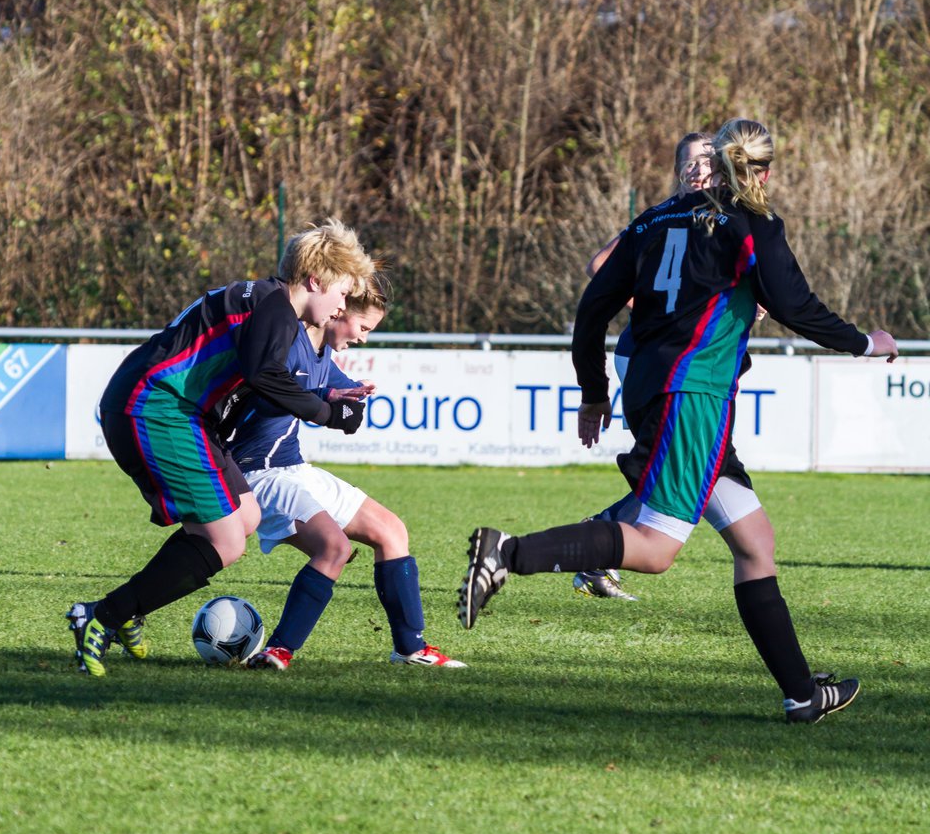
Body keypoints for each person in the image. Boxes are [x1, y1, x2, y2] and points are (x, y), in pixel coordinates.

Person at [459, 118, 899, 723]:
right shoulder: (752, 222)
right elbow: (796, 305)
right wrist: (865, 343)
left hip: (653, 387)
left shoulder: (653, 220)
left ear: (716, 162)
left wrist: (593, 391)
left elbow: (592, 312)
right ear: (764, 171)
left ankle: (802, 692)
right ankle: (508, 553)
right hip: (692, 394)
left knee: (754, 540)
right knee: (658, 548)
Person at [66, 219, 374, 677]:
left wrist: (326, 397)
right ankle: (103, 616)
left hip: (175, 410)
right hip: (156, 406)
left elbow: (264, 374)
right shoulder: (275, 307)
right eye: (342, 294)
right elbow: (263, 377)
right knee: (227, 540)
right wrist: (325, 411)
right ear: (316, 280)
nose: (342, 307)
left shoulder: (269, 304)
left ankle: (127, 608)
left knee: (245, 517)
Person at [228, 276, 464, 670]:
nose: (364, 339)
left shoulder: (322, 355)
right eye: (363, 327)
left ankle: (411, 648)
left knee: (391, 531)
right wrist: (325, 403)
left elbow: (348, 408)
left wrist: (347, 404)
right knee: (334, 549)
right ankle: (278, 650)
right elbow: (273, 392)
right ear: (339, 310)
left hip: (294, 467)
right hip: (258, 475)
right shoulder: (288, 346)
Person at [573, 132, 715, 601]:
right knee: (676, 467)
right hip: (648, 355)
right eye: (690, 162)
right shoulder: (662, 217)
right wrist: (642, 301)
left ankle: (601, 541)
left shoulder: (719, 218)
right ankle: (600, 538)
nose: (699, 169)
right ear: (678, 170)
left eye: (707, 161)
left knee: (690, 467)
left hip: (685, 364)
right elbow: (600, 263)